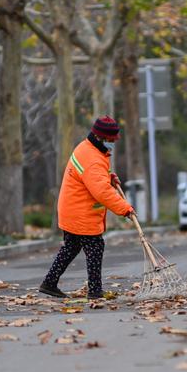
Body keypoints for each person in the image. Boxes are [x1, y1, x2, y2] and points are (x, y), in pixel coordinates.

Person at [39, 116, 134, 299]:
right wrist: (125, 209)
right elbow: (101, 192)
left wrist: (108, 177)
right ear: (101, 138)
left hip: (72, 209)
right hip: (81, 212)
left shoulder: (88, 148)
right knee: (96, 247)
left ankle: (49, 283)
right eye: (111, 141)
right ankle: (95, 291)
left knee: (71, 247)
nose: (113, 144)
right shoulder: (92, 158)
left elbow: (92, 178)